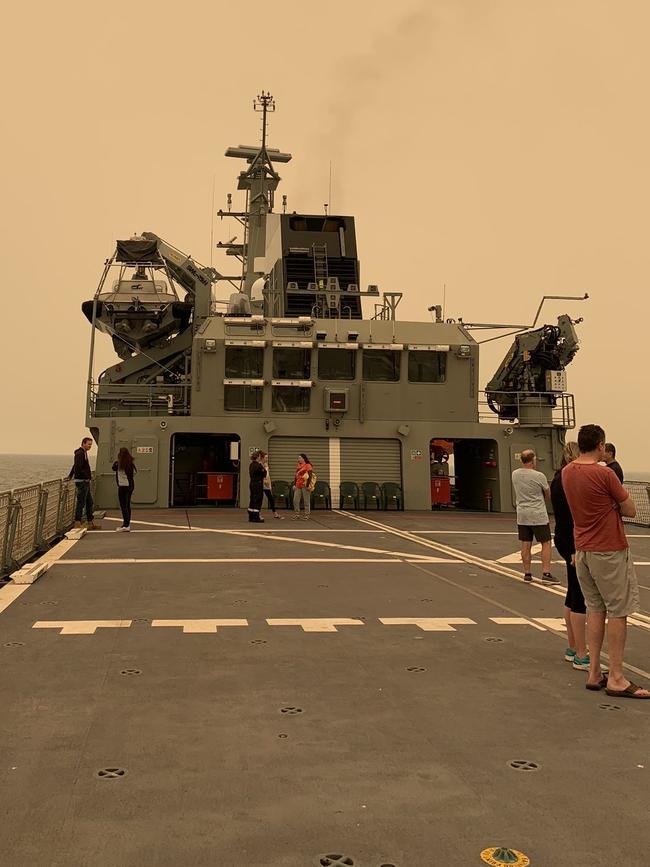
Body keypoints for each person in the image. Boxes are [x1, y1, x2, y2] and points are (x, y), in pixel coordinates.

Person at [562, 424, 648, 698]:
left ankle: (594, 671)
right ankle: (618, 678)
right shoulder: (605, 473)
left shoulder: (567, 472)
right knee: (618, 612)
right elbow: (631, 508)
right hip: (609, 550)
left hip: (584, 549)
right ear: (600, 445)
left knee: (595, 609)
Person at [550, 442, 588, 668]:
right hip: (573, 541)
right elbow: (571, 516)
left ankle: (573, 647)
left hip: (563, 538)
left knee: (572, 594)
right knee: (580, 598)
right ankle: (581, 654)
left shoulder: (557, 478)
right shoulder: (568, 480)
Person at [511, 449, 558, 584]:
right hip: (538, 514)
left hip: (522, 514)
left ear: (522, 461)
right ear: (533, 460)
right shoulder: (540, 476)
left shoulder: (515, 474)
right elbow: (548, 494)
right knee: (546, 542)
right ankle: (546, 573)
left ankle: (527, 573)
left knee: (526, 543)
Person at [68, 436, 98, 529]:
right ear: (83, 443)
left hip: (84, 481)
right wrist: (86, 477)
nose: (90, 446)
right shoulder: (80, 453)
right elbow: (78, 467)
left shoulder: (83, 453)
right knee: (81, 502)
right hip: (82, 482)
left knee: (89, 502)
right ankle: (77, 522)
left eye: (91, 444)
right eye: (89, 444)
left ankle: (90, 522)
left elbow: (75, 466)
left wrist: (70, 475)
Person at [112, 448, 136, 532]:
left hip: (123, 486)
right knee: (127, 505)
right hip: (130, 486)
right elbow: (133, 474)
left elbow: (114, 468)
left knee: (123, 506)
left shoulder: (120, 464)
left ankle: (126, 525)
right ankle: (127, 524)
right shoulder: (130, 463)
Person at [259, 451, 282, 519]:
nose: (267, 459)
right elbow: (260, 476)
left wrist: (270, 485)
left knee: (271, 499)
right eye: (266, 457)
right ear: (262, 458)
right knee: (260, 499)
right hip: (261, 484)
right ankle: (259, 513)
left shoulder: (266, 465)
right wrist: (264, 481)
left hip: (266, 484)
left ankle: (275, 513)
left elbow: (268, 476)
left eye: (267, 457)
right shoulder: (260, 465)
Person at [293, 453, 313, 520]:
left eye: (299, 458)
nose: (298, 459)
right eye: (298, 458)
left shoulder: (308, 465)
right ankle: (297, 514)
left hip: (305, 485)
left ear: (303, 458)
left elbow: (310, 476)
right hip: (298, 485)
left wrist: (307, 485)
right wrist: (294, 484)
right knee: (295, 500)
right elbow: (296, 476)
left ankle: (307, 515)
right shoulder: (298, 465)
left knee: (306, 500)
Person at [248, 451, 266, 523]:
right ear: (258, 457)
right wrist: (263, 466)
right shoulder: (258, 465)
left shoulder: (251, 465)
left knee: (252, 499)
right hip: (258, 484)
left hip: (252, 483)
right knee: (258, 499)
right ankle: (256, 516)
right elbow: (264, 473)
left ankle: (251, 516)